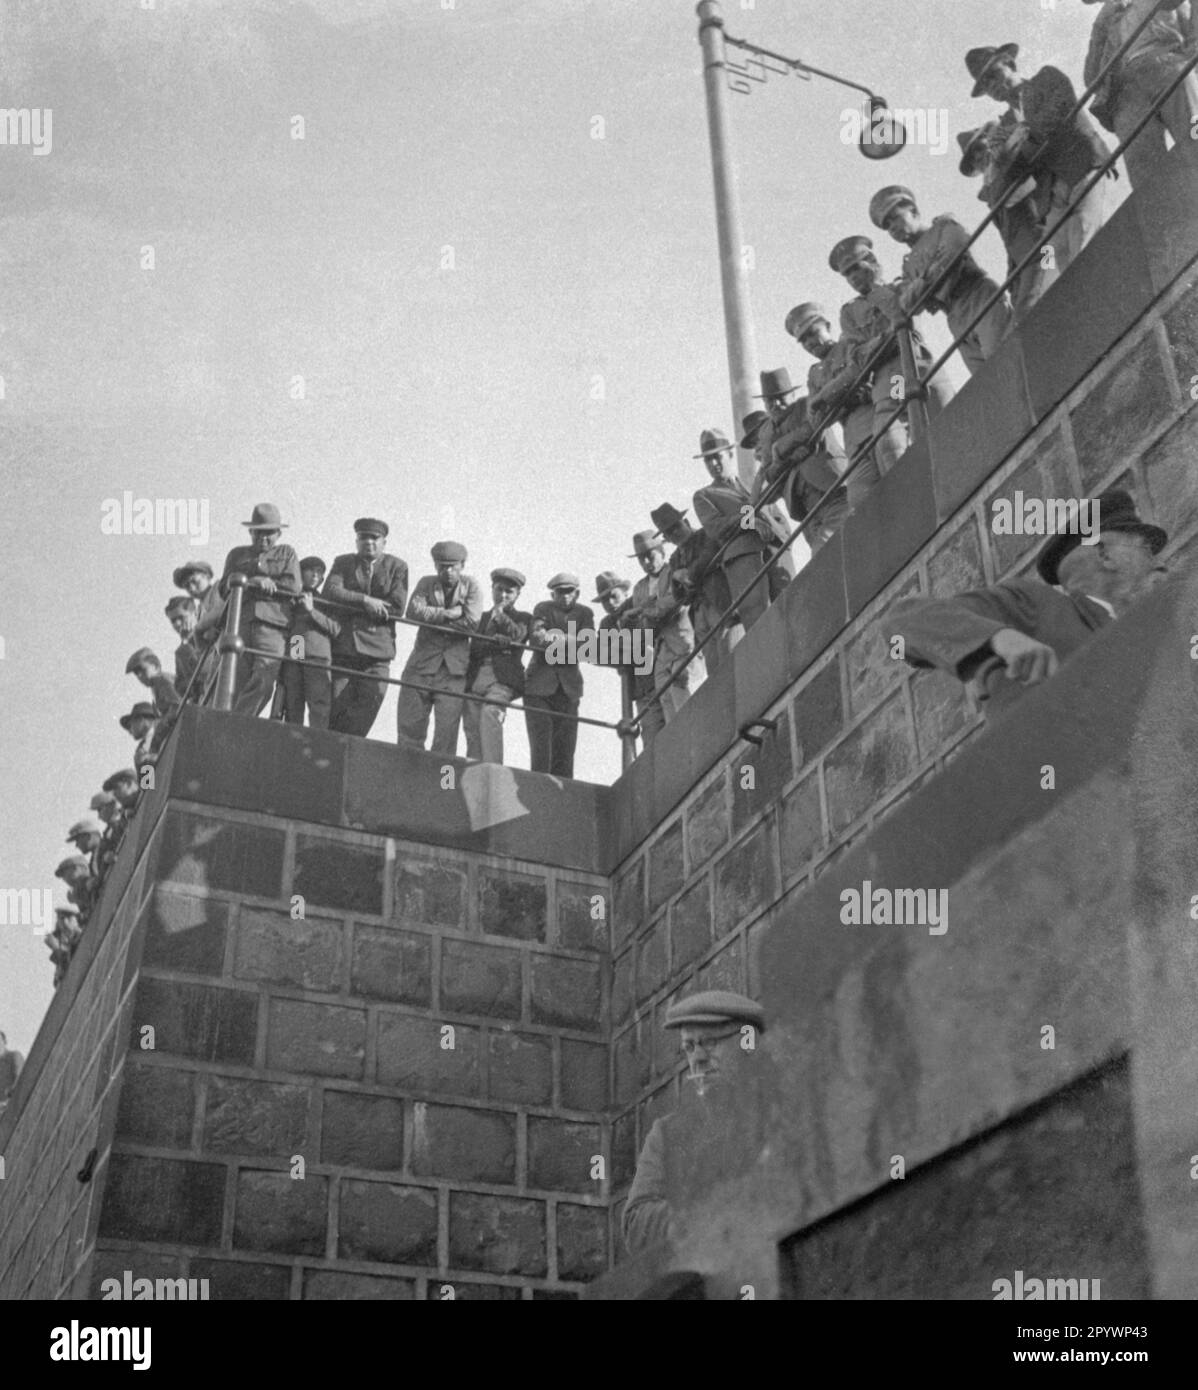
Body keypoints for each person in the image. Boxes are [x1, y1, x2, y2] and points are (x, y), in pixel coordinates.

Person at [890, 489, 1167, 719]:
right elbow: (901, 624)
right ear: (1105, 555)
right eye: (1146, 549)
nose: (1160, 563)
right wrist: (1001, 638)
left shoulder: (1154, 639)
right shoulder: (1035, 606)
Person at [623, 989, 766, 1255]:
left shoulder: (777, 1113)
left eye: (710, 1043)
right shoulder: (668, 1134)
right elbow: (637, 1223)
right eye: (689, 1047)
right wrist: (703, 1213)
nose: (697, 1059)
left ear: (748, 1042)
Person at [967, 43, 1114, 277]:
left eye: (994, 74)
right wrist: (1006, 156)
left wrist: (1019, 139)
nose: (993, 86)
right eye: (986, 84)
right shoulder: (1005, 125)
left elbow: (1058, 113)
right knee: (1062, 264)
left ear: (1010, 63)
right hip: (1050, 197)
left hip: (1082, 168)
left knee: (1084, 244)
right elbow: (1002, 184)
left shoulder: (1047, 78)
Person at [830, 236, 956, 506]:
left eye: (857, 268)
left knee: (953, 423)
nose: (852, 277)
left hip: (924, 364)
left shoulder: (897, 287)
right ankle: (916, 502)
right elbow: (859, 356)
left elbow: (904, 315)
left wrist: (876, 291)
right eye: (847, 273)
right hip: (894, 377)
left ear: (873, 263)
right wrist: (889, 337)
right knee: (891, 440)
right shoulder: (851, 313)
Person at [868, 184, 1013, 375]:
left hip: (978, 296)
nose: (893, 228)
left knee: (1005, 361)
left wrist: (921, 283)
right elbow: (907, 304)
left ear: (913, 211)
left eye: (895, 217)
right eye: (887, 225)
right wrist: (930, 276)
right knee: (985, 379)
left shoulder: (945, 226)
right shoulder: (908, 265)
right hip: (954, 316)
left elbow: (953, 252)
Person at [1083, 0, 1198, 190]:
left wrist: (1194, 48)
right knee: (1145, 178)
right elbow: (1091, 79)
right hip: (1126, 93)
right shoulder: (1109, 18)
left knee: (1194, 136)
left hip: (1168, 65)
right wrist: (1101, 27)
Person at [956, 124, 1057, 321]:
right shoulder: (992, 185)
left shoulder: (1008, 167)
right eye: (972, 158)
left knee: (1028, 309)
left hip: (1044, 251)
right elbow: (1009, 233)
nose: (978, 157)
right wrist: (1012, 272)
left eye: (978, 147)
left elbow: (1020, 183)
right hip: (1023, 259)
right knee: (1022, 309)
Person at [323, 518, 409, 738]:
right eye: (363, 537)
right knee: (335, 715)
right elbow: (331, 591)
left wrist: (350, 603)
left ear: (384, 542)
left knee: (365, 712)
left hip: (377, 655)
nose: (368, 542)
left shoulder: (397, 567)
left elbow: (397, 607)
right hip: (345, 650)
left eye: (374, 538)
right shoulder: (343, 563)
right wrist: (365, 601)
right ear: (356, 540)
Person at [692, 429, 784, 632]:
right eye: (708, 460)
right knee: (758, 619)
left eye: (717, 457)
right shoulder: (704, 495)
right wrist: (749, 520)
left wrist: (782, 536)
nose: (713, 464)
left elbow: (776, 515)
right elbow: (716, 527)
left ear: (730, 455)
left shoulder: (754, 481)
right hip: (744, 558)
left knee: (792, 602)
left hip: (776, 550)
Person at [214, 503, 301, 716]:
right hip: (239, 623)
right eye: (259, 533)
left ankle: (237, 722)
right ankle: (228, 723)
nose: (264, 538)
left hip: (273, 626)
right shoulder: (236, 555)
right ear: (251, 532)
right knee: (235, 680)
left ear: (279, 533)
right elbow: (225, 588)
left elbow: (293, 586)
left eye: (269, 533)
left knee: (264, 678)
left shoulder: (287, 553)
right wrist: (253, 581)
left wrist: (269, 583)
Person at [398, 542, 483, 754]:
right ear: (435, 565)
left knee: (446, 739)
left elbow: (472, 622)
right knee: (409, 730)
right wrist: (448, 613)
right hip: (420, 666)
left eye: (453, 566)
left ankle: (444, 786)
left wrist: (433, 617)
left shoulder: (471, 586)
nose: (448, 571)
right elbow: (413, 612)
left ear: (462, 565)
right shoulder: (426, 583)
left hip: (453, 672)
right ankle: (409, 782)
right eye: (442, 566)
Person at [786, 301, 880, 492]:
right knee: (858, 497)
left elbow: (885, 380)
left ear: (827, 326)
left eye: (813, 333)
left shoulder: (850, 344)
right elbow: (817, 419)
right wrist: (848, 398)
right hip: (855, 442)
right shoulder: (814, 374)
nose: (810, 342)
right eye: (804, 340)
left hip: (880, 420)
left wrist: (831, 399)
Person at [622, 530, 698, 723]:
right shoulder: (639, 588)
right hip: (660, 651)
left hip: (683, 641)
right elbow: (643, 626)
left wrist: (645, 611)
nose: (647, 562)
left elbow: (677, 599)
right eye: (642, 559)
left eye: (650, 556)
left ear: (661, 552)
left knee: (685, 690)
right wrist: (632, 622)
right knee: (666, 699)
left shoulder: (675, 570)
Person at [524, 574, 595, 778]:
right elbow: (537, 639)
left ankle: (562, 796)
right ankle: (540, 790)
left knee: (565, 750)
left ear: (577, 593)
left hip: (569, 690)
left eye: (569, 592)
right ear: (553, 593)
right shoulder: (543, 609)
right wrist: (573, 641)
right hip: (539, 688)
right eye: (560, 592)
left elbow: (588, 647)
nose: (565, 596)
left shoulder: (585, 613)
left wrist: (555, 637)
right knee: (541, 749)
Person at [650, 503, 734, 674]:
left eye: (676, 527)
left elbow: (708, 559)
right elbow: (680, 597)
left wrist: (685, 574)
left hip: (719, 604)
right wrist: (675, 577)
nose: (674, 534)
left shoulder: (706, 535)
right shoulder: (675, 558)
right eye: (668, 533)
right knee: (715, 668)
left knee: (731, 655)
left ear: (686, 522)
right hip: (698, 614)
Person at [463, 567, 532, 765]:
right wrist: (495, 642)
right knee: (472, 728)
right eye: (499, 589)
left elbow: (518, 635)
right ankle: (473, 774)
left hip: (501, 680)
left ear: (518, 594)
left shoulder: (524, 618)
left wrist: (500, 615)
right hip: (476, 678)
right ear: (492, 588)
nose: (503, 595)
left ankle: (493, 771)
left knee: (491, 715)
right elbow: (474, 647)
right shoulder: (481, 617)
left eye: (509, 592)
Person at [595, 570, 663, 750]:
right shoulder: (607, 624)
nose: (610, 603)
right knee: (652, 739)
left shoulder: (639, 605)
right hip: (642, 690)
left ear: (625, 592)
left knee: (679, 725)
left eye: (613, 596)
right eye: (604, 600)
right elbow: (600, 654)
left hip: (662, 678)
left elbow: (647, 641)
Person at [280, 556, 340, 730]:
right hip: (296, 646)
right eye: (310, 570)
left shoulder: (327, 602)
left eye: (319, 572)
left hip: (318, 653)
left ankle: (317, 746)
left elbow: (336, 628)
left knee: (319, 705)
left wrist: (312, 610)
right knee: (293, 703)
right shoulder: (291, 596)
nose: (315, 575)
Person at [124, 647, 182, 718]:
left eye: (142, 670)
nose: (140, 676)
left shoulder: (161, 681)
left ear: (155, 666)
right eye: (136, 673)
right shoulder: (155, 687)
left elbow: (177, 705)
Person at [165, 596, 201, 697]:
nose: (177, 624)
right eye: (173, 621)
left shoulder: (210, 633)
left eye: (181, 618)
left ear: (195, 613)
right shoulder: (180, 651)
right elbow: (181, 688)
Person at [118, 701, 163, 772]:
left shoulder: (164, 728)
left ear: (141, 720)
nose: (130, 732)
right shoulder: (142, 749)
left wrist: (150, 758)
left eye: (130, 726)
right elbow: (147, 782)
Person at [0, 1031, 24, 1106]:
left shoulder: (14, 1056)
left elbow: (20, 1080)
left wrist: (8, 1101)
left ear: (5, 1042)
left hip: (12, 1106)